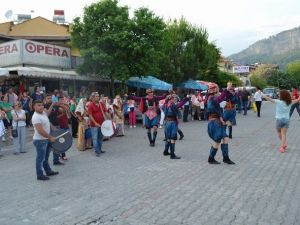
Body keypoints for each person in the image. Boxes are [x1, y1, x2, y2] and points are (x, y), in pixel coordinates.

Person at [206, 84, 235, 165]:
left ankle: (216, 158)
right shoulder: (212, 98)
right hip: (214, 122)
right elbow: (219, 99)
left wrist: (229, 91)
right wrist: (226, 90)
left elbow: (227, 97)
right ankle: (219, 158)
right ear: (214, 90)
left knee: (221, 140)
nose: (218, 89)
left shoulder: (213, 97)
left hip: (216, 121)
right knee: (222, 139)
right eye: (217, 88)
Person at [31, 100, 58, 181]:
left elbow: (47, 114)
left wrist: (52, 104)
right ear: (34, 107)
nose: (41, 106)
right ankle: (39, 175)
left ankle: (48, 171)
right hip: (40, 140)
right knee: (40, 158)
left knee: (45, 157)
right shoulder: (35, 117)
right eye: (39, 105)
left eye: (42, 105)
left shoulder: (43, 113)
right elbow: (40, 130)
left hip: (45, 139)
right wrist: (50, 137)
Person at [162, 94, 189, 159]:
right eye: (174, 98)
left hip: (167, 123)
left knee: (168, 138)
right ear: (171, 99)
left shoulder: (165, 105)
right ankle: (172, 155)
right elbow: (180, 104)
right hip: (172, 123)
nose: (175, 99)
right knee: (173, 139)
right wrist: (186, 99)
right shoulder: (173, 105)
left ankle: (165, 151)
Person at [88, 92, 110, 157]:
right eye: (96, 96)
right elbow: (90, 116)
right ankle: (97, 151)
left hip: (102, 124)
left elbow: (106, 112)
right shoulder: (90, 105)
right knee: (95, 138)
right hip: (94, 125)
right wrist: (95, 123)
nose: (98, 97)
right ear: (93, 98)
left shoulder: (101, 104)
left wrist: (111, 119)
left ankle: (100, 149)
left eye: (98, 96)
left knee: (100, 138)